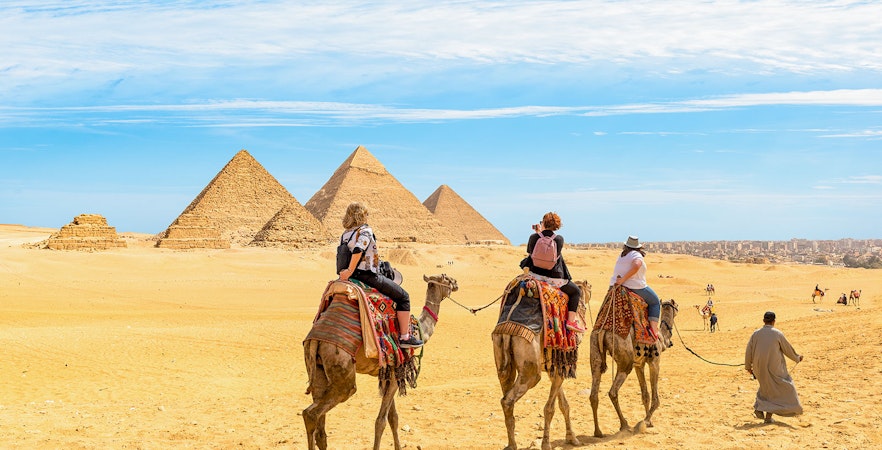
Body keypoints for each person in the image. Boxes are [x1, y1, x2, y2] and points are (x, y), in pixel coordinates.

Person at [337, 202, 423, 348]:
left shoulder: (346, 234)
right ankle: (404, 337)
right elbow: (359, 249)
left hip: (350, 276)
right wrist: (351, 270)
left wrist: (347, 273)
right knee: (404, 297)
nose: (368, 216)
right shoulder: (365, 231)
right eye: (366, 214)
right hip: (367, 276)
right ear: (361, 215)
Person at [519, 212, 584, 332]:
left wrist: (538, 233)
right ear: (557, 226)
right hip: (554, 279)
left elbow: (530, 252)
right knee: (576, 291)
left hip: (535, 275)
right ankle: (571, 322)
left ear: (543, 223)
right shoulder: (559, 239)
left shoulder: (534, 237)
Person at [744, 311, 804, 423]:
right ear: (774, 321)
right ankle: (761, 409)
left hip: (758, 368)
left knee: (766, 388)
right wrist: (797, 358)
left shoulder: (755, 333)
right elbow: (788, 349)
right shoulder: (777, 333)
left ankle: (764, 413)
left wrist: (748, 366)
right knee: (786, 388)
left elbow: (749, 351)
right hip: (774, 368)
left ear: (763, 321)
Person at [609, 235, 663, 345]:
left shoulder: (622, 255)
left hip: (614, 286)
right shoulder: (636, 255)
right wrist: (623, 280)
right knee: (655, 302)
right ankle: (653, 330)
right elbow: (637, 265)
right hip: (635, 286)